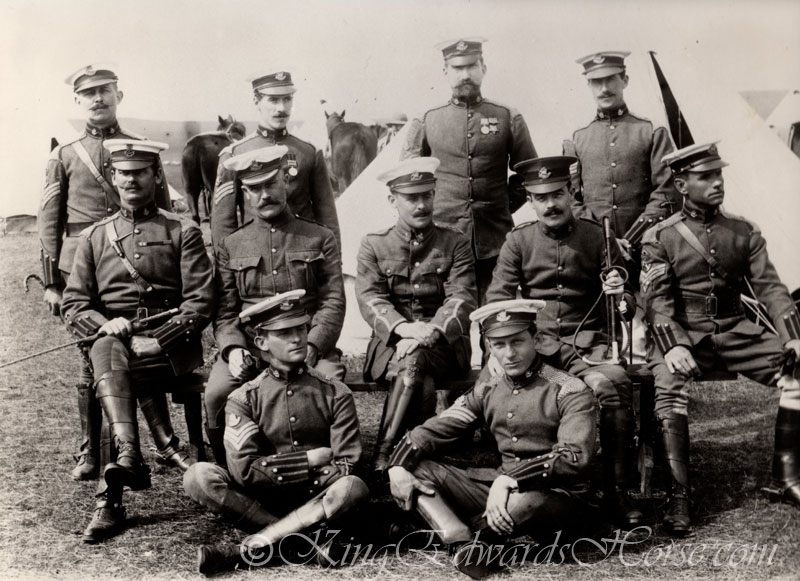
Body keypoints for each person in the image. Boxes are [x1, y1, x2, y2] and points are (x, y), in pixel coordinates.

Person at [640, 142, 800, 536]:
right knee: (668, 389)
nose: (717, 183)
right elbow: (656, 301)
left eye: (719, 174)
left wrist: (793, 337)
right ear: (681, 184)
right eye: (705, 176)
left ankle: (787, 475)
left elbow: (771, 289)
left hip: (735, 331)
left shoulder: (743, 231)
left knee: (798, 373)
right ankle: (679, 497)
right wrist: (673, 344)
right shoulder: (659, 237)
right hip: (684, 334)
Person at [61, 139, 215, 543]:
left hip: (169, 351)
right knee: (107, 348)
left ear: (155, 176)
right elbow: (74, 304)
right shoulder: (94, 237)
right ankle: (128, 457)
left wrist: (159, 341)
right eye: (123, 173)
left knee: (111, 368)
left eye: (139, 172)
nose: (130, 179)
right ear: (113, 177)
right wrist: (104, 322)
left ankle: (111, 497)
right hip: (115, 343)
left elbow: (200, 302)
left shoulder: (183, 231)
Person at [387, 299, 597, 579]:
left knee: (524, 501)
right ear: (489, 348)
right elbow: (441, 426)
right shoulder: (488, 389)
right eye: (499, 344)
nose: (509, 353)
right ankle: (462, 543)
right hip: (499, 489)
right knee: (417, 468)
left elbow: (573, 456)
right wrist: (397, 465)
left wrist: (512, 480)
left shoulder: (569, 389)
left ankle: (467, 538)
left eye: (517, 341)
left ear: (536, 339)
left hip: (556, 496)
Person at [486, 156, 642, 527]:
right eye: (541, 198)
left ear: (571, 192)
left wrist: (621, 296)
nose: (551, 204)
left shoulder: (596, 236)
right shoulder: (518, 241)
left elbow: (628, 300)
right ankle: (524, 478)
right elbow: (497, 299)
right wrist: (496, 346)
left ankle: (617, 491)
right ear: (530, 199)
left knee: (611, 385)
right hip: (532, 347)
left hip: (585, 346)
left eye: (557, 194)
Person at [38, 64, 171, 481]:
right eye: (89, 93)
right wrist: (51, 283)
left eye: (105, 91)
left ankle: (146, 446)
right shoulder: (65, 155)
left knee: (128, 348)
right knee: (90, 358)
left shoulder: (141, 149)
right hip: (81, 266)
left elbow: (161, 209)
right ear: (78, 101)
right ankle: (90, 452)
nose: (98, 99)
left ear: (119, 95)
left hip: (132, 268)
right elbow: (49, 219)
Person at [184, 291, 368, 576]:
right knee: (198, 477)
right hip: (262, 501)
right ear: (261, 342)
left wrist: (272, 469)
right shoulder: (243, 399)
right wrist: (309, 460)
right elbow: (244, 472)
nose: (297, 338)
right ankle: (304, 543)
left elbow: (346, 466)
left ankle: (250, 549)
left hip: (319, 496)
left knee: (352, 487)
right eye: (284, 332)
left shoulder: (335, 392)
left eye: (300, 328)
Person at [206, 145, 346, 466]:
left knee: (330, 385)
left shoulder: (318, 237)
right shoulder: (231, 245)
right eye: (254, 188)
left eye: (271, 183)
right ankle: (226, 466)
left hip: (304, 344)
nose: (264, 194)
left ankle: (331, 465)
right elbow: (226, 311)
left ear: (286, 180)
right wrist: (233, 349)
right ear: (244, 192)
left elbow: (333, 300)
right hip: (253, 348)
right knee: (217, 391)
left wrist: (313, 345)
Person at [355, 157, 478, 472]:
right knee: (414, 367)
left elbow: (462, 298)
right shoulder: (374, 244)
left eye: (427, 195)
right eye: (412, 197)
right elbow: (370, 298)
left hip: (445, 347)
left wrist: (431, 332)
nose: (421, 205)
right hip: (390, 346)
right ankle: (414, 451)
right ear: (392, 200)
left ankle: (384, 455)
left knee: (414, 359)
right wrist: (404, 330)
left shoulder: (456, 242)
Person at [401, 38, 536, 303]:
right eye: (457, 67)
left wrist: (502, 206)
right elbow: (408, 179)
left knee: (497, 319)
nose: (465, 74)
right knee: (447, 319)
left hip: (495, 241)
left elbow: (528, 173)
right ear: (445, 72)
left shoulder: (508, 116)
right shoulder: (427, 119)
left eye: (471, 66)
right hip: (442, 242)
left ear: (483, 67)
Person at [564, 50, 680, 252]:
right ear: (588, 85)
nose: (604, 89)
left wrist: (633, 239)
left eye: (610, 79)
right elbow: (570, 199)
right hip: (594, 248)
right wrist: (603, 240)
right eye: (596, 82)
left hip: (647, 245)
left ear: (625, 80)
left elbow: (667, 193)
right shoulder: (576, 138)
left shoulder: (651, 131)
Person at [211, 70, 340, 249]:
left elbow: (328, 217)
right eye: (273, 100)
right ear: (256, 102)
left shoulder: (309, 152)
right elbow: (223, 224)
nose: (281, 108)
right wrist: (227, 272)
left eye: (287, 99)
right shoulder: (234, 155)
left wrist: (333, 265)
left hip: (304, 258)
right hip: (255, 260)